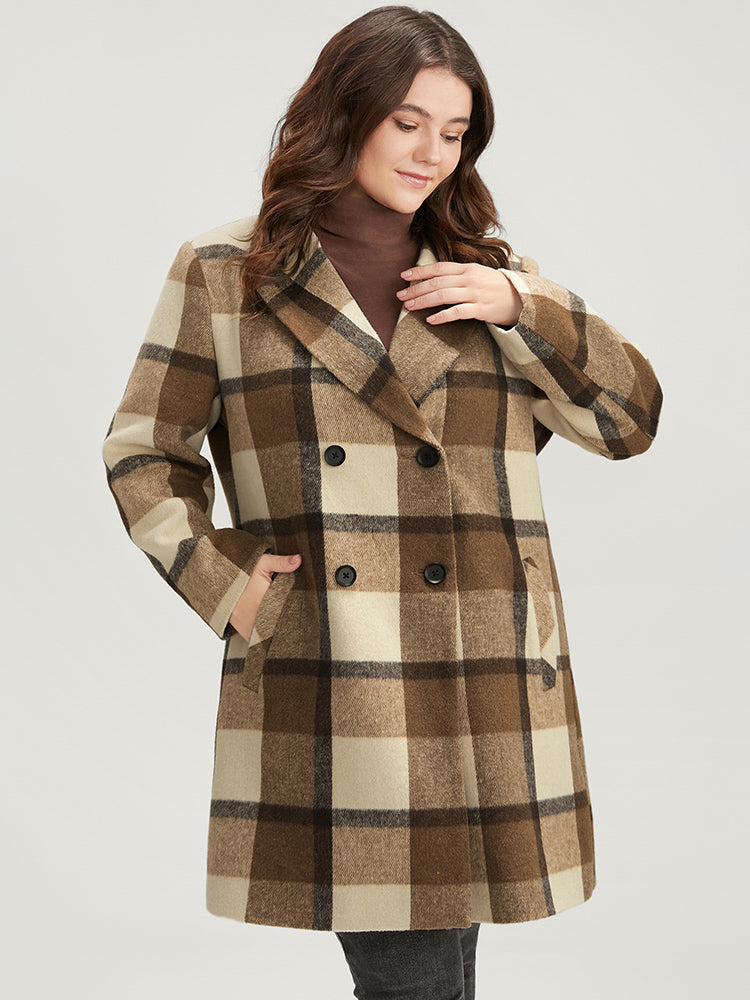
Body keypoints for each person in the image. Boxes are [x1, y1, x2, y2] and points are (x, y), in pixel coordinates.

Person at [101, 6, 662, 998]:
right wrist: (230, 584)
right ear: (345, 111)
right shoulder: (228, 271)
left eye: (454, 132)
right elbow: (145, 448)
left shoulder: (487, 279)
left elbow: (630, 422)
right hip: (337, 666)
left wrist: (525, 308)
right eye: (408, 122)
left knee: (440, 968)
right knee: (416, 975)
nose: (431, 154)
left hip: (486, 661)